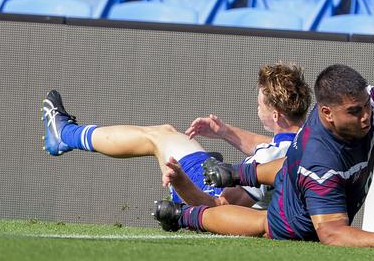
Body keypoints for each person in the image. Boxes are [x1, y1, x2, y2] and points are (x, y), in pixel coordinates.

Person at [154, 64, 374, 251]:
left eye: (367, 107)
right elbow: (333, 234)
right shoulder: (321, 162)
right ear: (327, 113)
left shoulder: (361, 99)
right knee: (268, 223)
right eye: (356, 111)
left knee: (287, 168)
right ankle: (185, 215)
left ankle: (234, 173)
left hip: (292, 166)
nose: (367, 117)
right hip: (294, 209)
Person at [41, 62, 311, 211]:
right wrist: (225, 132)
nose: (257, 107)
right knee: (174, 137)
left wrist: (182, 184)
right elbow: (273, 147)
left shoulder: (267, 159)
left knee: (161, 135)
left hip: (205, 198)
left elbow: (218, 207)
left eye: (260, 103)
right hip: (252, 203)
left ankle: (65, 134)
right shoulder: (308, 141)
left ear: (275, 115)